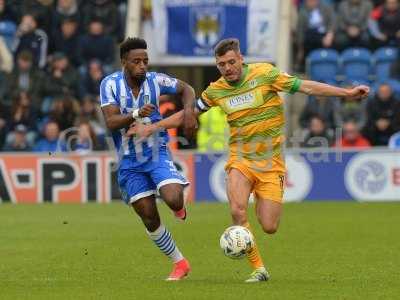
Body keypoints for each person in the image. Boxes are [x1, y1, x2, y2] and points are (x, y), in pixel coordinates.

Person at [128, 38, 370, 283]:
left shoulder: (265, 74)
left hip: (270, 163)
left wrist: (347, 93)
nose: (227, 68)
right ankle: (258, 269)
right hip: (240, 159)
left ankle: (257, 204)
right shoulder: (216, 89)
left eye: (231, 62)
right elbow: (188, 113)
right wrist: (153, 127)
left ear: (241, 58)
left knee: (269, 226)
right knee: (236, 209)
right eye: (222, 64)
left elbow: (306, 87)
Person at [99, 37, 197, 281]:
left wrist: (188, 113)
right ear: (124, 62)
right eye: (136, 61)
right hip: (128, 162)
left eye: (145, 61)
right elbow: (110, 121)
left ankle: (179, 207)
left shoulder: (156, 80)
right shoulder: (109, 84)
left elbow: (187, 89)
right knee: (149, 216)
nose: (142, 65)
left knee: (173, 199)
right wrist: (134, 114)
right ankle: (180, 263)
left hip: (156, 152)